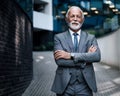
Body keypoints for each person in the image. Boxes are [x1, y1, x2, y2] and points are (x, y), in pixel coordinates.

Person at [51, 6, 101, 96]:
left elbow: (97, 56)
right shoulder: (58, 37)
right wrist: (85, 60)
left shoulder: (90, 38)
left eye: (78, 16)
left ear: (82, 19)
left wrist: (71, 55)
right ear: (67, 19)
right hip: (64, 86)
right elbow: (60, 61)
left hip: (85, 85)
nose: (75, 19)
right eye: (72, 16)